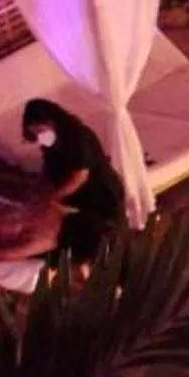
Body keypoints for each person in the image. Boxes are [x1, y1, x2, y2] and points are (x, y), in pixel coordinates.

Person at [21, 97, 126, 259]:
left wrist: (51, 198)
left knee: (106, 239)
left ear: (51, 120)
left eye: (40, 130)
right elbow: (48, 168)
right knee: (81, 238)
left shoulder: (79, 137)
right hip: (78, 197)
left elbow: (79, 177)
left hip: (100, 195)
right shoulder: (50, 142)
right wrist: (34, 191)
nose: (39, 136)